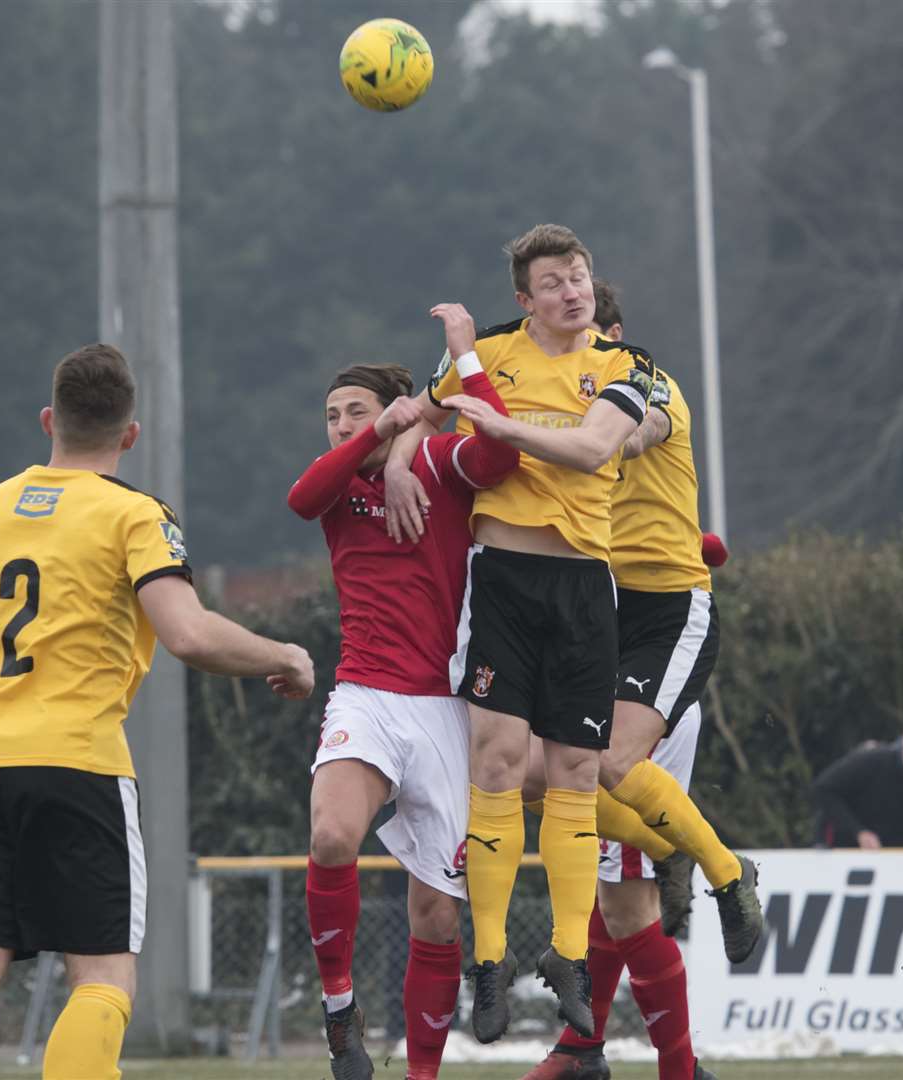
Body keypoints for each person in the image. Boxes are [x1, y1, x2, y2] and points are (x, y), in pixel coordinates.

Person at [0, 343, 314, 1080]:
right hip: (79, 768)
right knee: (100, 980)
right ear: (131, 434)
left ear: (47, 421)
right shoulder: (135, 515)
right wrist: (284, 653)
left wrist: (1, 707)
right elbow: (188, 633)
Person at [381, 224, 657, 1043]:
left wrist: (501, 431)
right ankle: (490, 964)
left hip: (582, 585)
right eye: (554, 282)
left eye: (579, 276)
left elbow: (590, 448)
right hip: (502, 579)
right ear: (523, 300)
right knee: (496, 766)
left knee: (575, 770)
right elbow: (422, 417)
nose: (573, 291)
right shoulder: (490, 355)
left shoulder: (621, 366)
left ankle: (566, 957)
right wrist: (399, 463)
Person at [286, 307, 519, 1080]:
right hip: (365, 694)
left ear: (401, 410)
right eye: (331, 415)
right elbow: (301, 496)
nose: (339, 424)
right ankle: (339, 1012)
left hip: (446, 707)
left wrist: (441, 392)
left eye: (355, 409)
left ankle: (422, 1073)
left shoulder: (436, 465)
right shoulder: (339, 482)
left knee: (433, 913)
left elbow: (499, 456)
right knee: (329, 839)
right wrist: (376, 437)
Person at [522, 280, 722, 1080]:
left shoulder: (643, 385)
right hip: (600, 638)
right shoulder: (554, 403)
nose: (585, 357)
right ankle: (581, 1049)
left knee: (622, 892)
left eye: (595, 340)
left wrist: (582, 430)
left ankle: (675, 1066)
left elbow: (635, 439)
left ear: (616, 336)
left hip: (654, 654)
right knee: (543, 795)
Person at [813, 717, 903, 848]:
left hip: (895, 858)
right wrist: (858, 832)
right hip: (840, 850)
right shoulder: (872, 760)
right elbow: (824, 789)